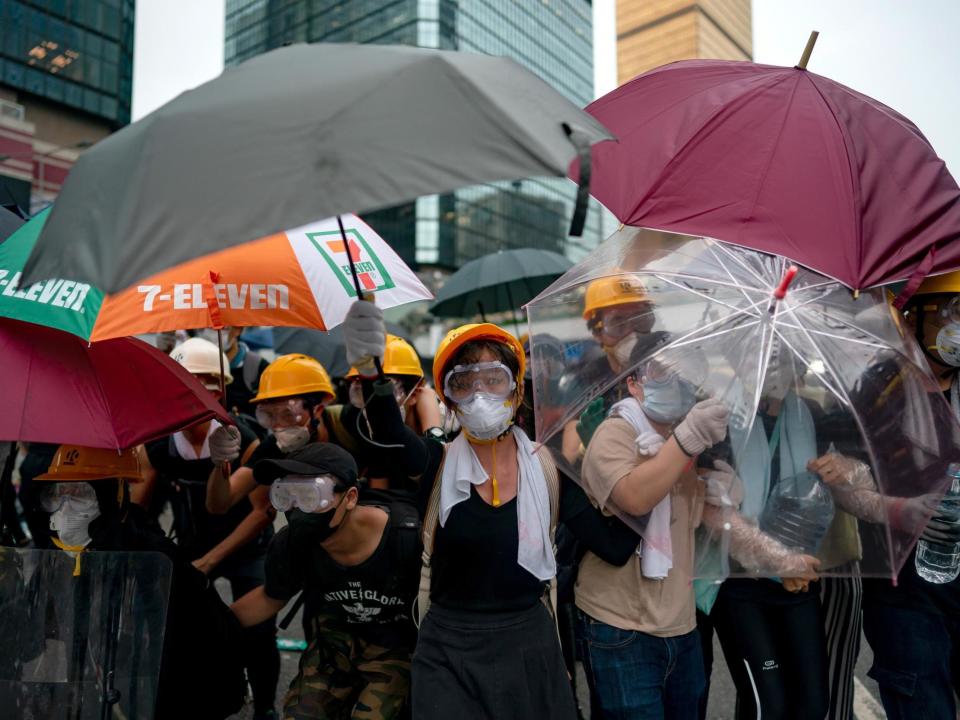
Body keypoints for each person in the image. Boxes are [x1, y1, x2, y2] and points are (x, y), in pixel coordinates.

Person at [338, 304, 643, 720]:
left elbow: (613, 543)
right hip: (447, 649)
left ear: (516, 389)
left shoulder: (550, 470)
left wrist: (656, 467)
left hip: (530, 646)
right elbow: (390, 433)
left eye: (493, 378)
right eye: (465, 382)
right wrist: (370, 374)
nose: (481, 394)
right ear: (448, 396)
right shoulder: (435, 463)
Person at [809, 274, 960, 719]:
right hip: (905, 590)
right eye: (951, 311)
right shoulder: (876, 387)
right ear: (911, 319)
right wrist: (901, 509)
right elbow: (843, 474)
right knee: (922, 704)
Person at [35, 444, 246, 719]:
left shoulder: (154, 558)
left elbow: (178, 651)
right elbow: (38, 626)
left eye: (81, 494)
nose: (65, 509)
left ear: (114, 495)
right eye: (59, 494)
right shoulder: (62, 553)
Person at [573, 347, 729, 720]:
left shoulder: (686, 443)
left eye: (687, 376)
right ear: (634, 385)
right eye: (662, 373)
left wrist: (721, 488)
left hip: (681, 624)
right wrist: (686, 442)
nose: (676, 384)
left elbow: (692, 521)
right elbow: (635, 498)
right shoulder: (615, 433)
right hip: (621, 628)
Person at [140, 337, 280, 719]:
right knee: (179, 626)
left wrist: (212, 559)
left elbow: (260, 512)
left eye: (207, 381)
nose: (195, 389)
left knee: (258, 632)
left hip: (245, 545)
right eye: (185, 379)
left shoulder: (246, 440)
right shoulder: (158, 442)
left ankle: (266, 705)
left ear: (223, 387)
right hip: (192, 543)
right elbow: (140, 503)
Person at [232, 443, 422, 719]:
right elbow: (270, 597)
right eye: (287, 495)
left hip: (396, 650)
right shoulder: (293, 543)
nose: (298, 508)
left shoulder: (407, 539)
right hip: (333, 649)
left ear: (350, 497)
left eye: (310, 495)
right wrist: (210, 625)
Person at [345, 334, 444, 487]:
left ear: (414, 393)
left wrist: (433, 428)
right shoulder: (360, 424)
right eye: (362, 392)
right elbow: (379, 486)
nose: (374, 404)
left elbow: (439, 476)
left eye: (388, 393)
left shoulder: (449, 422)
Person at [197, 326, 271, 419]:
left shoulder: (258, 367)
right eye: (207, 327)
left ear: (238, 330)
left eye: (220, 327)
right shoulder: (196, 366)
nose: (210, 333)